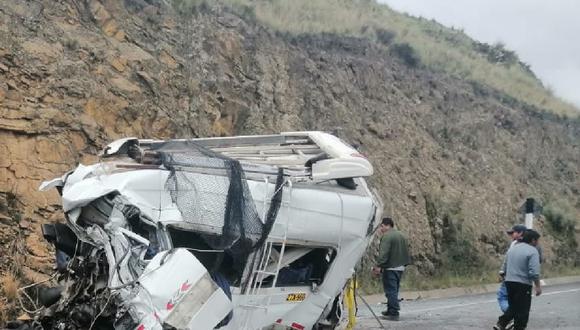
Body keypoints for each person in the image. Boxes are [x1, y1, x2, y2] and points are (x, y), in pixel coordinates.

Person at [494, 229, 542, 330]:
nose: (538, 243)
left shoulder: (513, 249)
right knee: (523, 311)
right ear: (533, 240)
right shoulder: (533, 251)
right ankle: (509, 325)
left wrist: (505, 279)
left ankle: (501, 323)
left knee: (514, 306)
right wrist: (537, 286)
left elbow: (504, 267)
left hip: (509, 282)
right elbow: (534, 272)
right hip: (523, 284)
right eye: (537, 240)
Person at [371, 217, 411, 321]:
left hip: (390, 268)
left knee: (390, 291)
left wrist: (378, 266)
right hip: (400, 267)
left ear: (387, 225)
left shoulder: (387, 236)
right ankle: (389, 309)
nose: (381, 229)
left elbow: (384, 253)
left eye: (382, 226)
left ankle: (393, 312)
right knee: (395, 289)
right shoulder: (401, 235)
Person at [497, 224, 527, 313]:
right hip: (524, 280)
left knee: (502, 297)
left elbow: (507, 259)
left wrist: (502, 272)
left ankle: (509, 314)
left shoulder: (514, 244)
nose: (511, 235)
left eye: (513, 233)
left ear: (520, 233)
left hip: (511, 277)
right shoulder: (532, 244)